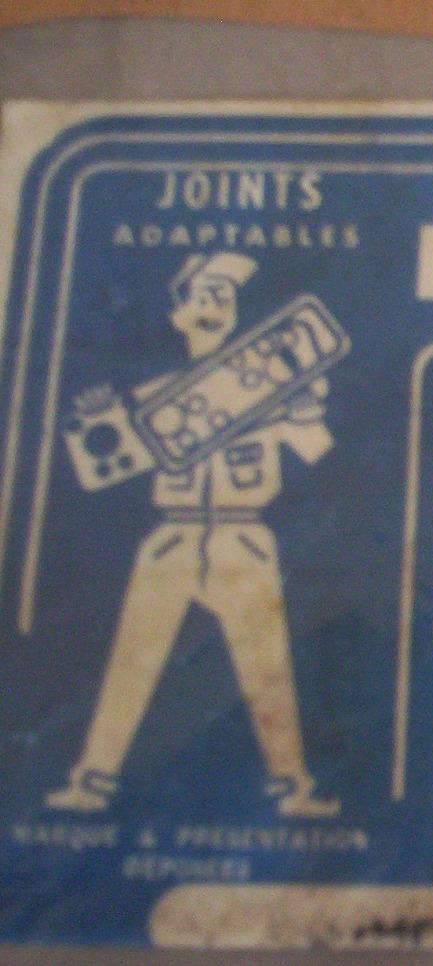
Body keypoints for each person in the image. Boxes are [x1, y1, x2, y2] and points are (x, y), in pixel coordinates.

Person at [46, 253, 339, 818]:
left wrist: (304, 413)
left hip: (243, 536)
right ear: (178, 312)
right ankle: (93, 782)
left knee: (267, 667)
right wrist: (99, 427)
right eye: (204, 294)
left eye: (224, 296)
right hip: (172, 539)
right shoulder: (155, 397)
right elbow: (99, 469)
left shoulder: (270, 385)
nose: (214, 305)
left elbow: (317, 450)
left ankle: (292, 787)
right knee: (132, 662)